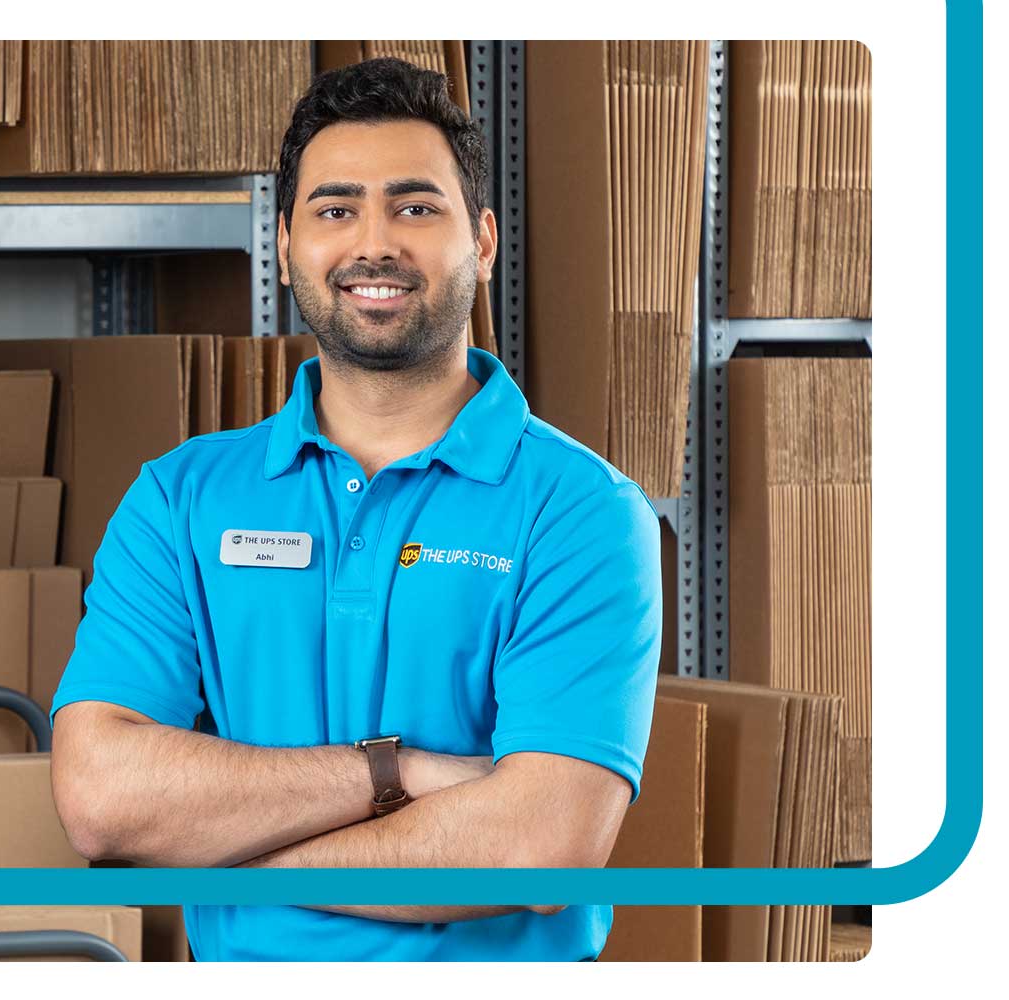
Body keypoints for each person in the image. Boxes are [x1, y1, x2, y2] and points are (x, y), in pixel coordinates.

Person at [47, 57, 663, 962]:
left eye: (416, 207)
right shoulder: (180, 499)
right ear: (290, 242)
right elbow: (102, 798)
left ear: (482, 242)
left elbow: (538, 844)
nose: (375, 245)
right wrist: (393, 771)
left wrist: (230, 861)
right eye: (336, 210)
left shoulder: (581, 512)